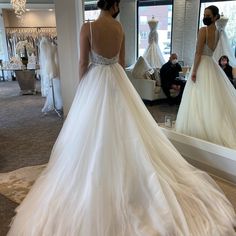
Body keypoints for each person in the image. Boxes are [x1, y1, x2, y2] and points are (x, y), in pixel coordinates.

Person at [7, 1, 236, 235]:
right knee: (126, 129)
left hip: (95, 81)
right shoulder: (120, 29)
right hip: (116, 82)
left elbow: (82, 63)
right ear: (115, 4)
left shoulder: (88, 28)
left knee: (91, 133)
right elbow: (120, 61)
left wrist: (83, 88)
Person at [176, 5, 236, 149]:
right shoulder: (218, 32)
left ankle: (199, 131)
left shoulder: (203, 30)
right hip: (212, 64)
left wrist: (194, 71)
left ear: (215, 17)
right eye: (204, 14)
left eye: (208, 15)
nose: (205, 17)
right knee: (211, 99)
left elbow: (198, 53)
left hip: (203, 64)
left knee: (198, 98)